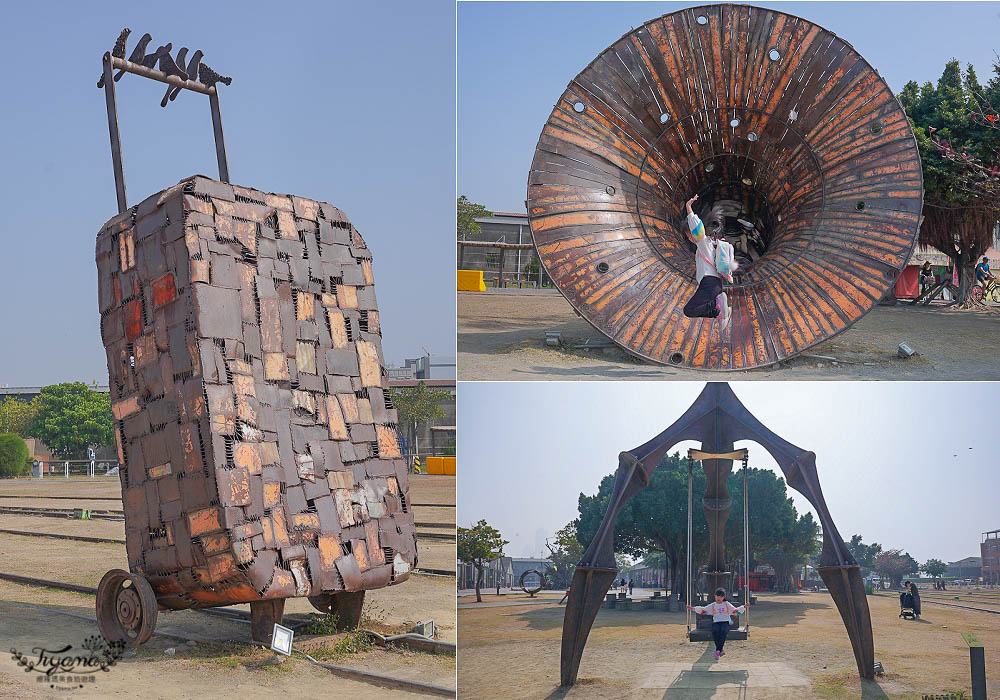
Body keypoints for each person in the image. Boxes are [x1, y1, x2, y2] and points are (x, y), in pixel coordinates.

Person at [682, 194, 737, 330]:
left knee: (690, 310)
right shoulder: (712, 243)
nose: (689, 238)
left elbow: (697, 228)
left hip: (709, 283)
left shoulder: (703, 241)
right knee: (692, 310)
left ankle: (717, 304)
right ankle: (720, 312)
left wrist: (689, 208)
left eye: (689, 235)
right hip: (715, 284)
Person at [687, 587, 746, 660]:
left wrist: (743, 607)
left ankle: (718, 650)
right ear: (715, 596)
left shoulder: (726, 604)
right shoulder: (713, 605)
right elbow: (704, 610)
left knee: (723, 631)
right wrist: (693, 608)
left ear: (723, 597)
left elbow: (735, 611)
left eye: (721, 596)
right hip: (716, 622)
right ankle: (719, 650)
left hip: (725, 622)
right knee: (715, 631)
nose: (718, 598)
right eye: (717, 596)